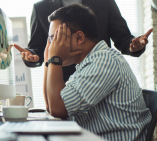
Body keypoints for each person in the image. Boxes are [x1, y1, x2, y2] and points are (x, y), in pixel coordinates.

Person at [44, 4, 151, 141]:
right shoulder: (87, 65)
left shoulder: (104, 61)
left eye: (55, 38)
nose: (51, 45)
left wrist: (54, 59)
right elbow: (52, 106)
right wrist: (49, 61)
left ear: (79, 38)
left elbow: (58, 109)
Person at [14, 0, 152, 81]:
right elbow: (36, 48)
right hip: (62, 79)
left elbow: (122, 37)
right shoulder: (41, 8)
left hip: (100, 74)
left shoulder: (104, 2)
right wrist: (31, 56)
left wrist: (134, 46)